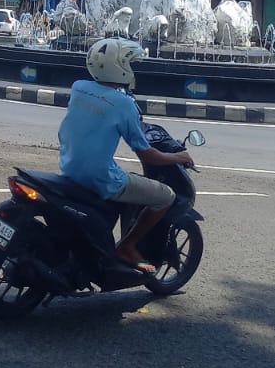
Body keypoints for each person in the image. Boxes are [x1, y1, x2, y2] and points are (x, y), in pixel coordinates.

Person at [57, 36, 193, 272]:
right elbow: (148, 156)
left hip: (69, 168)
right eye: (129, 64)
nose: (132, 69)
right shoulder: (123, 104)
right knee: (165, 197)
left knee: (128, 180)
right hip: (100, 178)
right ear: (119, 67)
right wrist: (179, 157)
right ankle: (127, 247)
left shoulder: (78, 87)